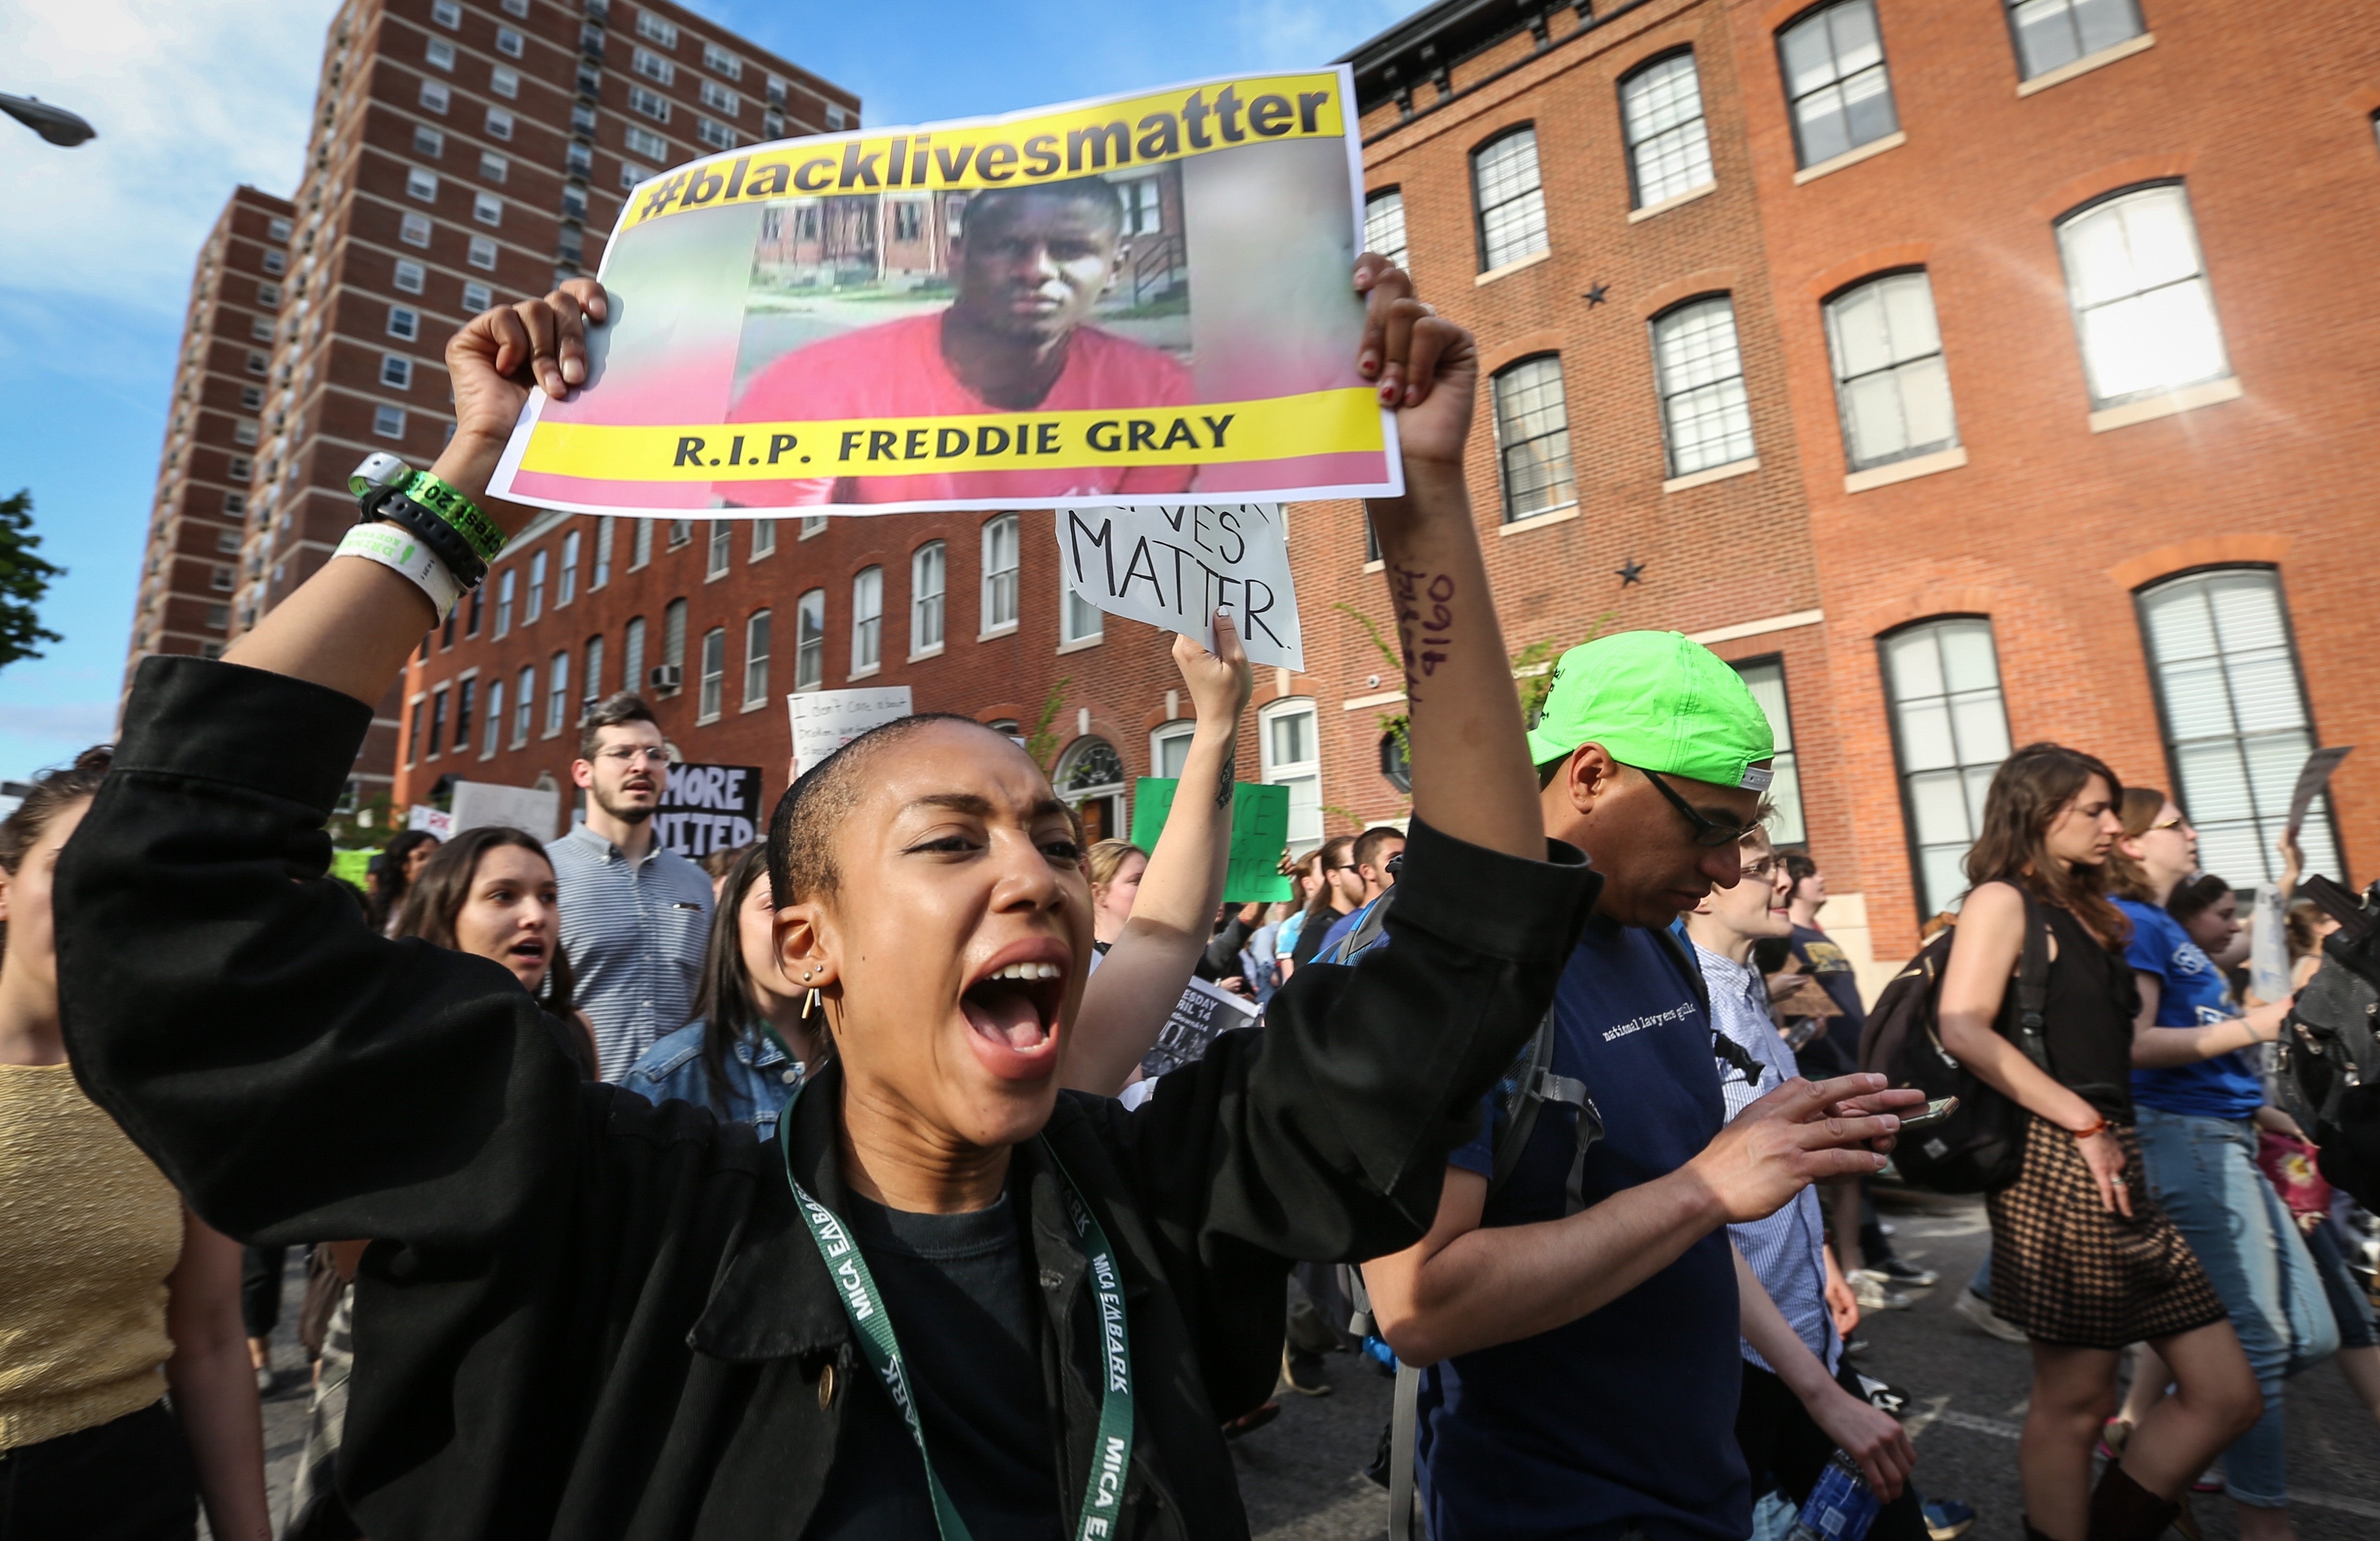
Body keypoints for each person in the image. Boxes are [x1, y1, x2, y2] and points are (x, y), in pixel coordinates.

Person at [58, 256, 1659, 1539]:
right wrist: (465, 482)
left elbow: (1459, 942)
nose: (1034, 872)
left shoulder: (1160, 1207)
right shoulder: (605, 1210)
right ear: (800, 939)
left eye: (1052, 839)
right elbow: (166, 893)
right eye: (951, 842)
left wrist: (1419, 494)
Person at [1361, 629, 1917, 1541]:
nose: (1727, 868)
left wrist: (1816, 1386)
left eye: (1741, 835)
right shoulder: (1445, 970)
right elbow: (1419, 1307)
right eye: (1707, 829)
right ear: (1590, 775)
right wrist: (1709, 1185)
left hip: (1702, 1479)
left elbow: (1674, 1213)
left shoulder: (1657, 941)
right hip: (1550, 1509)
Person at [1934, 745, 2261, 1541]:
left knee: (2226, 1395)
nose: (2114, 825)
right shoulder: (2001, 900)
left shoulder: (2093, 912)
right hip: (2055, 1158)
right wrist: (2080, 1123)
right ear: (2037, 813)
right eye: (2094, 809)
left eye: (2114, 809)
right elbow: (1962, 1027)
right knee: (2075, 1403)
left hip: (2116, 1153)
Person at [0, 749, 271, 1541]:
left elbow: (211, 1337)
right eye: (73, 867)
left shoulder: (185, 1087)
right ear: (5, 887)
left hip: (124, 1495)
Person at [1684, 828, 1927, 1541]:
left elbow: (1774, 1160)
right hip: (1739, 1355)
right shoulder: (1684, 1008)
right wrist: (1819, 1389)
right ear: (1702, 892)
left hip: (1803, 1331)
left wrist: (1822, 1264)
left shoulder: (1749, 988)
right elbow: (1692, 1206)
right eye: (1762, 868)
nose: (1784, 879)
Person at [2101, 790, 2322, 1540]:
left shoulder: (2164, 921)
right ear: (2133, 843)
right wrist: (2259, 1023)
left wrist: (2284, 878)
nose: (2191, 832)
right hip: (2187, 1138)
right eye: (2174, 824)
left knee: (2312, 1335)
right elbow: (2133, 1047)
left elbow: (2244, 947)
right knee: (2259, 1343)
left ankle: (2156, 1442)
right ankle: (2262, 1523)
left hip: (2225, 1133)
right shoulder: (2131, 922)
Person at [726, 178, 1195, 507]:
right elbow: (769, 564)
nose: (1036, 271)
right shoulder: (810, 387)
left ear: (1115, 269)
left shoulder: (1161, 393)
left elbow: (1135, 571)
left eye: (1071, 250)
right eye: (1007, 246)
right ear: (956, 258)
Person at [1780, 852, 1938, 1313]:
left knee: (1855, 1174)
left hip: (1847, 1064)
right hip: (1816, 1068)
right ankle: (1839, 1275)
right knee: (1834, 1174)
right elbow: (1798, 1008)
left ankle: (1861, 1266)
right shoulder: (1783, 937)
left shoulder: (1818, 936)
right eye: (1813, 874)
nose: (1823, 878)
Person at [545, 693, 714, 1081]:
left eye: (656, 754)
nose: (642, 765)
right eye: (623, 753)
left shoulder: (698, 883)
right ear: (583, 773)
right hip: (576, 1105)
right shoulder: (544, 875)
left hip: (679, 1108)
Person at [397, 824, 601, 1078]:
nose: (537, 916)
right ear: (444, 911)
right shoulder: (388, 1034)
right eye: (503, 896)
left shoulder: (575, 1030)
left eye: (548, 897)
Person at [1311, 825, 1406, 958]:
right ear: (1367, 871)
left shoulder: (1413, 915)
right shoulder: (1344, 930)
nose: (1405, 863)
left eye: (1408, 856)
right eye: (1394, 857)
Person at [1287, 835, 1356, 970]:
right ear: (1333, 876)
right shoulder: (1319, 931)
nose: (1365, 872)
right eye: (1354, 868)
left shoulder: (1371, 918)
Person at [365, 826, 439, 936]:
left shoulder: (443, 908)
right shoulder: (371, 908)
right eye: (421, 857)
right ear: (402, 864)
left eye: (437, 857)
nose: (430, 863)